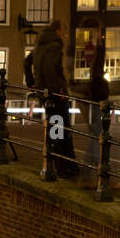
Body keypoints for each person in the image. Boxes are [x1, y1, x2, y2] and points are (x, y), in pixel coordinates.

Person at [31, 19, 78, 177]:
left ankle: (60, 163)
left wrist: (32, 83)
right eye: (63, 32)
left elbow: (26, 63)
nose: (64, 35)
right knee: (62, 129)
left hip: (44, 93)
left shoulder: (40, 44)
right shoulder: (55, 45)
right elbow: (50, 69)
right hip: (55, 94)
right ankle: (65, 166)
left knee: (55, 128)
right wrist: (57, 89)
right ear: (57, 30)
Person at [76, 29, 110, 187]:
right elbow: (98, 63)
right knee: (98, 139)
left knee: (96, 139)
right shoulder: (96, 71)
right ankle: (100, 178)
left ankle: (87, 176)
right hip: (97, 102)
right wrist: (100, 45)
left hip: (95, 101)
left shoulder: (95, 70)